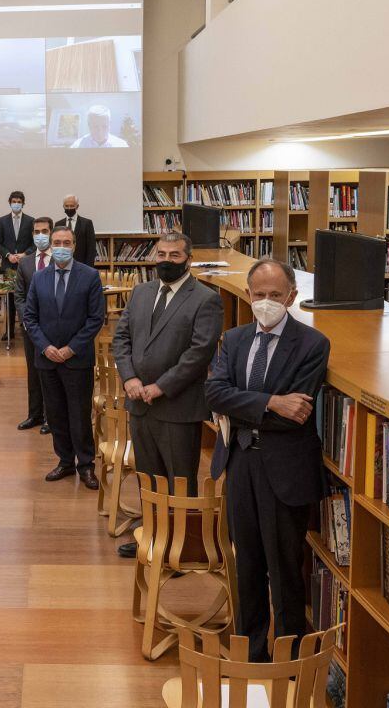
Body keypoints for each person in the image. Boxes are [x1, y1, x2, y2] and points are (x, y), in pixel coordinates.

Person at [205, 258, 330, 663]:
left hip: (283, 471)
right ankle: (251, 654)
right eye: (259, 294)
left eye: (275, 295)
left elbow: (298, 415)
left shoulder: (313, 345)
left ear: (292, 297)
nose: (266, 302)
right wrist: (272, 402)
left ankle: (289, 663)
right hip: (240, 461)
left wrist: (244, 405)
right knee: (248, 565)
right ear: (248, 293)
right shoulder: (235, 339)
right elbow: (214, 394)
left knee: (285, 571)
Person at [111, 232, 223, 559]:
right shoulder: (141, 292)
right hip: (139, 404)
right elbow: (121, 339)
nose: (166, 261)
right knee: (149, 477)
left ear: (188, 259)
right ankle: (152, 537)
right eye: (161, 254)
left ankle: (180, 546)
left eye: (174, 255)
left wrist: (161, 386)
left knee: (179, 480)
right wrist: (129, 378)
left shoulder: (205, 299)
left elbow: (199, 353)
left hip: (177, 406)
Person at [22, 226, 104, 489]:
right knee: (56, 414)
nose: (60, 246)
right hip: (46, 359)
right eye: (56, 242)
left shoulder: (90, 276)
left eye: (65, 242)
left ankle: (87, 465)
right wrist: (46, 347)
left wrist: (71, 348)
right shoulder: (39, 278)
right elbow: (30, 318)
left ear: (74, 245)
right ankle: (65, 462)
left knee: (79, 414)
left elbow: (95, 319)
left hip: (77, 359)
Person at [14, 216, 54, 434]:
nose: (41, 235)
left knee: (49, 373)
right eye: (37, 231)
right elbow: (19, 296)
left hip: (53, 328)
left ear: (51, 232)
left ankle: (51, 417)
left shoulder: (58, 260)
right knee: (33, 371)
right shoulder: (25, 262)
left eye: (45, 231)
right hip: (30, 328)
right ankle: (34, 414)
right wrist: (27, 321)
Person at [0, 190, 34, 341]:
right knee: (10, 299)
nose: (16, 204)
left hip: (26, 264)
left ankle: (27, 327)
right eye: (14, 201)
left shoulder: (31, 221)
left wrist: (25, 254)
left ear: (23, 203)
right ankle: (9, 330)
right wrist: (8, 255)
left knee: (26, 297)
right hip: (8, 265)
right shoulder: (3, 220)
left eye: (19, 201)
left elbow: (34, 243)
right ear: (10, 203)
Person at [54, 194, 98, 267]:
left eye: (71, 206)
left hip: (82, 265)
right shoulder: (58, 224)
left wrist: (89, 268)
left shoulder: (87, 223)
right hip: (62, 264)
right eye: (66, 206)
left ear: (77, 206)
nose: (69, 208)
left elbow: (91, 248)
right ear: (63, 206)